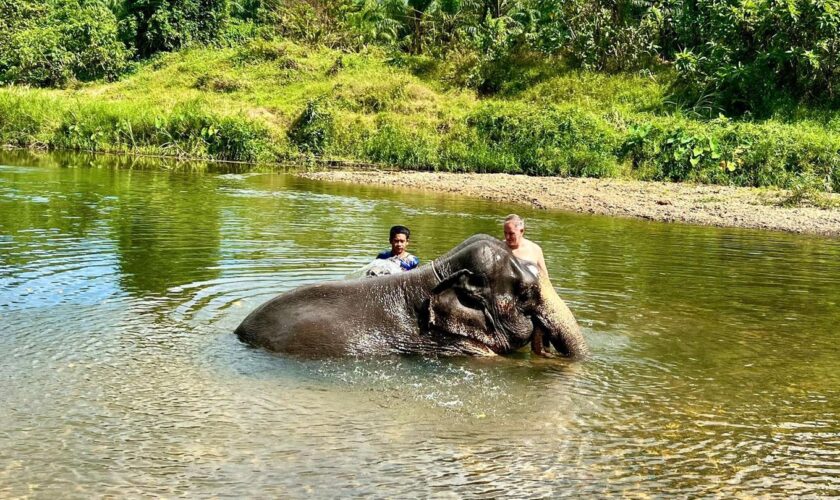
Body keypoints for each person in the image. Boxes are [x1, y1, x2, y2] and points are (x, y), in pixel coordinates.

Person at [502, 214, 549, 279]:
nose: (507, 237)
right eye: (505, 233)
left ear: (521, 231)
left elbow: (545, 279)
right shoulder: (499, 248)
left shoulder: (535, 250)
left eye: (511, 234)